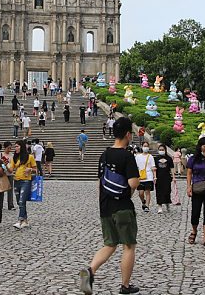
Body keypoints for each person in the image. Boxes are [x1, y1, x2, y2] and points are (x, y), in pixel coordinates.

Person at [79, 117, 140, 295]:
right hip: (122, 207)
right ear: (128, 134)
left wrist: (102, 206)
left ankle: (90, 270)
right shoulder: (127, 156)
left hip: (105, 206)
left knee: (110, 244)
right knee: (128, 245)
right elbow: (134, 183)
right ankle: (125, 285)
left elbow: (100, 183)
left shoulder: (104, 155)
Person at [186, 137, 205, 247]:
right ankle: (194, 231)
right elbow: (189, 173)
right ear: (200, 147)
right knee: (195, 213)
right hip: (197, 188)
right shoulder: (193, 159)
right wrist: (188, 187)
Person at [9, 140, 37, 229]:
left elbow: (35, 169)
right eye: (15, 146)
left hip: (26, 181)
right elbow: (11, 170)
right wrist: (5, 165)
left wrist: (29, 169)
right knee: (19, 201)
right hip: (16, 180)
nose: (15, 148)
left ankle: (19, 221)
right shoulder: (15, 158)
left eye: (17, 146)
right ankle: (25, 221)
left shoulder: (30, 157)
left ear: (21, 147)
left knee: (21, 201)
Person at [154, 144, 176, 213]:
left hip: (166, 176)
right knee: (159, 192)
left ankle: (167, 202)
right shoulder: (156, 158)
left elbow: (171, 168)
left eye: (162, 150)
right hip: (159, 176)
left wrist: (174, 177)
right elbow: (154, 168)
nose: (161, 151)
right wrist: (155, 177)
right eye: (160, 150)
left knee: (167, 191)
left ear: (165, 150)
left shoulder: (169, 158)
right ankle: (160, 206)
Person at [135, 142, 156, 213]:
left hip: (148, 176)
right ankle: (143, 201)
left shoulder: (150, 156)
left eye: (147, 146)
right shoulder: (138, 156)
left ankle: (147, 206)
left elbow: (153, 167)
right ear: (141, 147)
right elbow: (136, 166)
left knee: (147, 191)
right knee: (140, 193)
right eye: (144, 146)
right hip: (140, 177)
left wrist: (155, 176)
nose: (146, 147)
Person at [1, 141, 16, 211]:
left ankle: (10, 204)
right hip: (3, 173)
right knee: (1, 189)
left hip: (10, 173)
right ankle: (0, 204)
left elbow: (13, 164)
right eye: (8, 148)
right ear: (4, 148)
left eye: (10, 148)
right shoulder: (0, 155)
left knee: (10, 190)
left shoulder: (12, 155)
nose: (9, 149)